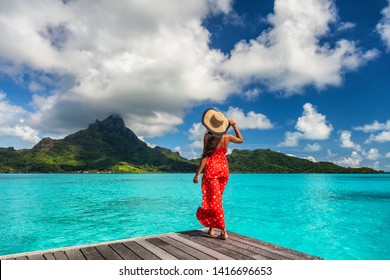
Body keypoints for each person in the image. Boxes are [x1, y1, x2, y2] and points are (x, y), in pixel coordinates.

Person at [193, 108, 243, 240]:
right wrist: (234, 126)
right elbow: (240, 140)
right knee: (215, 199)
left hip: (212, 171)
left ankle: (223, 231)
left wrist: (197, 174)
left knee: (215, 200)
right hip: (224, 171)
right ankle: (211, 229)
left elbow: (205, 156)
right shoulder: (227, 137)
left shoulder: (208, 137)